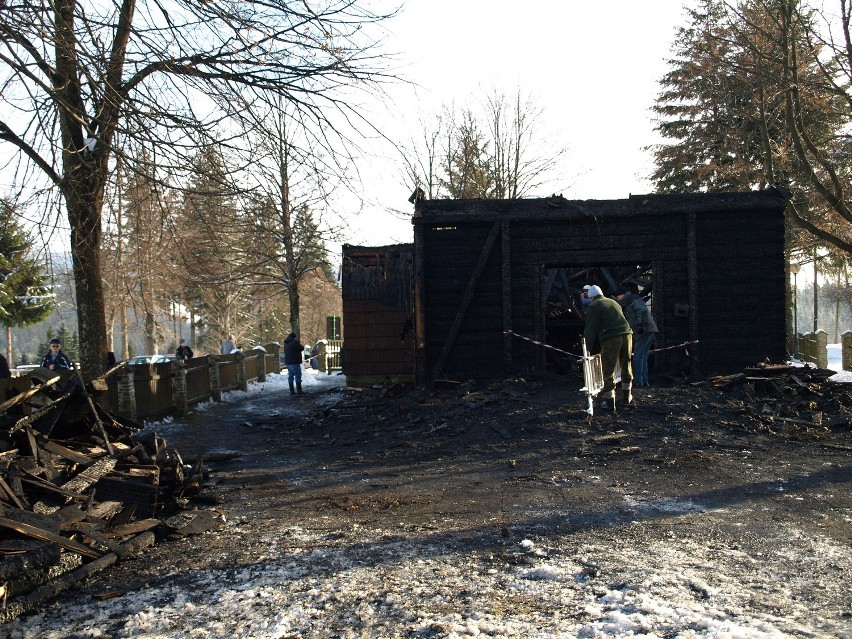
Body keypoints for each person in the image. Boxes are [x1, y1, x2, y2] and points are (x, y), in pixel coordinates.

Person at [584, 285, 633, 410]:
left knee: (608, 368)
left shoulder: (594, 306)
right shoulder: (613, 302)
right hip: (627, 334)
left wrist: (587, 347)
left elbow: (591, 328)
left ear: (591, 297)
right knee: (626, 364)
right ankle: (627, 397)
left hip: (612, 338)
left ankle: (610, 402)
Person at [615, 287, 657, 387]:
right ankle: (644, 381)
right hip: (649, 329)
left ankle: (638, 381)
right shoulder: (633, 298)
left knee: (638, 357)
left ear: (621, 295)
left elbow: (640, 310)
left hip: (644, 331)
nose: (617, 299)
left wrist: (640, 324)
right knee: (643, 357)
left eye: (617, 297)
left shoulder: (631, 299)